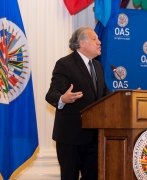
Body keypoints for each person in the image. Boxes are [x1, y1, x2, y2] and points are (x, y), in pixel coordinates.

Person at [45, 26, 111, 180]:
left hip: (94, 137)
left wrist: (126, 97)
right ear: (81, 43)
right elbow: (52, 94)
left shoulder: (98, 67)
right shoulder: (65, 64)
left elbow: (105, 95)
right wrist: (63, 99)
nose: (99, 42)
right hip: (71, 137)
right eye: (94, 39)